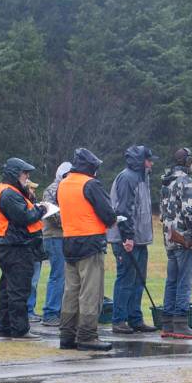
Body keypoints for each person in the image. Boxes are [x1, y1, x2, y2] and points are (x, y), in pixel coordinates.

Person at [58, 148, 118, 351]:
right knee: (90, 292)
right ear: (90, 167)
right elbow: (108, 215)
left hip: (68, 242)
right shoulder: (90, 184)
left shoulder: (63, 184)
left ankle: (67, 335)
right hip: (90, 243)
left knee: (71, 291)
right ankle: (87, 335)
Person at [0, 157, 48, 340]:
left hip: (10, 245)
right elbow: (24, 217)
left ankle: (6, 326)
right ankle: (20, 329)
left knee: (8, 288)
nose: (27, 176)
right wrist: (41, 210)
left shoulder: (10, 191)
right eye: (25, 173)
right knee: (19, 289)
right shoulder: (9, 193)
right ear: (15, 174)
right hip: (16, 247)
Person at [106, 144, 158, 334]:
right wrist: (127, 236)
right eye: (149, 160)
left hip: (140, 240)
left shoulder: (141, 178)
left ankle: (135, 318)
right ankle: (119, 320)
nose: (151, 164)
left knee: (139, 280)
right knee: (126, 279)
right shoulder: (127, 178)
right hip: (126, 240)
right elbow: (123, 210)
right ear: (141, 161)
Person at [159, 147, 192, 339]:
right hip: (184, 239)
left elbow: (163, 214)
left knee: (172, 282)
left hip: (169, 238)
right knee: (185, 282)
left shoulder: (166, 182)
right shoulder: (187, 182)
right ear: (187, 162)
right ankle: (181, 323)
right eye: (191, 161)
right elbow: (190, 212)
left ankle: (168, 323)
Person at [40, 162, 72, 326]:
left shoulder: (64, 188)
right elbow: (52, 214)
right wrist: (72, 222)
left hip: (63, 236)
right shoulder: (52, 190)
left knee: (64, 275)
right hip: (54, 236)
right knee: (58, 274)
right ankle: (50, 313)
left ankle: (58, 311)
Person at [24, 179, 44, 323]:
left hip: (36, 249)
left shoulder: (34, 204)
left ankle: (31, 309)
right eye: (31, 189)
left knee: (34, 282)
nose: (33, 191)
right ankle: (27, 311)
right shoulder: (25, 205)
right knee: (29, 282)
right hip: (30, 249)